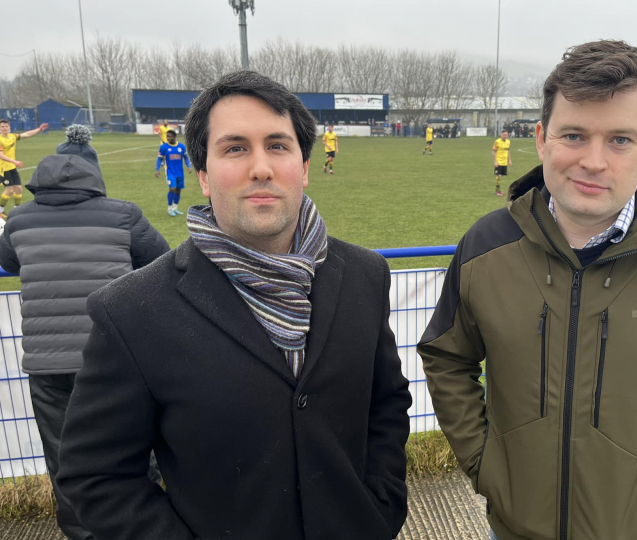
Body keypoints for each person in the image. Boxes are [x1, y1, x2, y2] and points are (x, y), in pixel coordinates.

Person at [418, 40, 637, 540]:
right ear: (542, 137)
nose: (593, 161)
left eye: (619, 140)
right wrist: (486, 463)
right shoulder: (485, 247)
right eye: (573, 134)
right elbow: (446, 356)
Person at [57, 69, 411, 540]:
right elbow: (95, 476)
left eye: (278, 145)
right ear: (202, 174)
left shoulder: (366, 276)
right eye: (236, 148)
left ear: (304, 166)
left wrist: (381, 505)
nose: (260, 167)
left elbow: (386, 404)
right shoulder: (130, 310)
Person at [0, 124, 169, 540]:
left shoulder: (20, 220)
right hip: (114, 358)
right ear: (96, 177)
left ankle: (82, 534)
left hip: (47, 366)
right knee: (131, 448)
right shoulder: (122, 214)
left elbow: (10, 263)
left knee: (63, 458)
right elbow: (162, 260)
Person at [0, 120, 48, 215]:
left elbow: (26, 134)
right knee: (9, 190)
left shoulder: (12, 136)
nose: (4, 128)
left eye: (6, 126)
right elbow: (0, 155)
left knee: (18, 189)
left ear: (9, 127)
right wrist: (15, 161)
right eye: (2, 126)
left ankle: (16, 209)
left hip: (12, 167)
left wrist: (39, 129)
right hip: (3, 168)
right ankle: (1, 210)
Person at [155, 129, 192, 216]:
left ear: (175, 137)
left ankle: (175, 208)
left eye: (170, 136)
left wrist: (189, 166)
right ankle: (169, 208)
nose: (168, 138)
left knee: (178, 190)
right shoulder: (164, 147)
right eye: (167, 136)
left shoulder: (182, 147)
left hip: (180, 173)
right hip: (170, 172)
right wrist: (157, 169)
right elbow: (159, 158)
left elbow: (186, 158)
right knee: (172, 189)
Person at [492, 128, 512, 196]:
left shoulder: (508, 142)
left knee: (501, 176)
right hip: (499, 161)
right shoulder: (497, 141)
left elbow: (508, 151)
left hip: (504, 162)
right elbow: (493, 151)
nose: (505, 136)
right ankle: (497, 191)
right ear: (501, 135)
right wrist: (495, 161)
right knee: (499, 176)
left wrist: (509, 160)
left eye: (506, 135)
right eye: (504, 135)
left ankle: (497, 190)